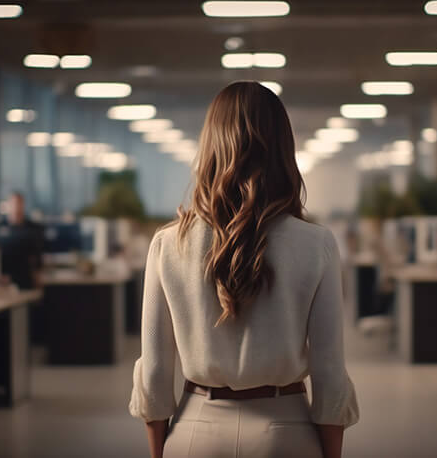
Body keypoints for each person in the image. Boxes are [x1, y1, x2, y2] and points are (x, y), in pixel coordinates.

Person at [129, 82, 359, 458]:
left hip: (195, 431)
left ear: (210, 146)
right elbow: (330, 374)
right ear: (284, 149)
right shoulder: (317, 244)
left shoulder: (168, 244)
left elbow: (155, 375)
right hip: (286, 433)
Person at [0, 192, 44, 289]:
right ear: (8, 205)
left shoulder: (33, 229)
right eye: (13, 204)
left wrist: (37, 276)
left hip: (25, 280)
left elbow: (37, 257)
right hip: (2, 281)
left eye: (19, 204)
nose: (16, 207)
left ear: (23, 205)